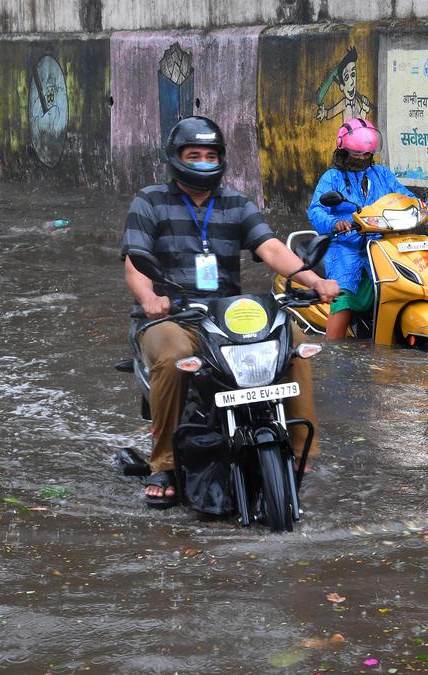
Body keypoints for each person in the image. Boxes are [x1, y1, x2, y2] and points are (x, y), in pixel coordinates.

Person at [123, 116, 340, 508]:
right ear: (176, 158)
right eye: (195, 155)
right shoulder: (150, 200)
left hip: (227, 317)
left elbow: (271, 248)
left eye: (211, 155)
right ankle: (165, 464)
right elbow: (135, 263)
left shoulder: (237, 203)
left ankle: (302, 452)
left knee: (295, 342)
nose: (204, 161)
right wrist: (150, 299)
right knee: (173, 356)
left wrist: (314, 281)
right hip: (175, 316)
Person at [307, 117, 428, 340]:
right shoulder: (332, 178)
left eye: (366, 154)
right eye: (356, 153)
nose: (362, 158)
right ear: (343, 151)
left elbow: (403, 197)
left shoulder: (382, 174)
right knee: (345, 291)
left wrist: (425, 206)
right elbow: (316, 210)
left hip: (382, 243)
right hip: (346, 244)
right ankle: (334, 345)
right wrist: (335, 223)